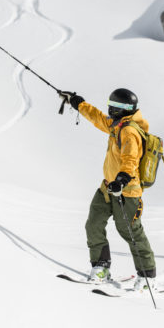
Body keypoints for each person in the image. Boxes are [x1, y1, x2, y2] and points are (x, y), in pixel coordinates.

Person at [60, 88, 156, 289]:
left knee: (130, 232)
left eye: (112, 107)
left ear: (121, 109)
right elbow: (97, 118)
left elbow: (130, 160)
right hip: (108, 187)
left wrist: (121, 180)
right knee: (94, 223)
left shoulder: (129, 132)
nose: (109, 109)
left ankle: (147, 278)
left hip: (126, 191)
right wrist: (77, 102)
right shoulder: (117, 125)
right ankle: (101, 267)